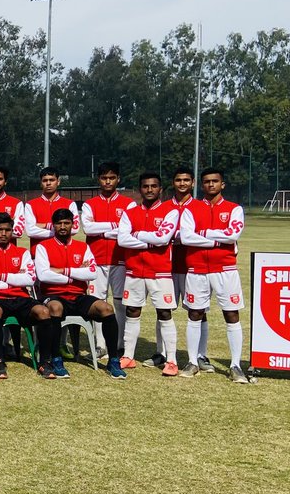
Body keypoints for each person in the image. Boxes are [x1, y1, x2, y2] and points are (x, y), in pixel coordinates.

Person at [35, 209, 127, 378]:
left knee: (106, 308)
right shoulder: (43, 247)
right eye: (59, 223)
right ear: (54, 225)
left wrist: (62, 271)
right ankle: (56, 358)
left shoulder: (83, 247)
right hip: (54, 295)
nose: (63, 227)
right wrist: (76, 274)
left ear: (73, 224)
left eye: (66, 223)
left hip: (78, 296)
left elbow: (92, 273)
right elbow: (43, 275)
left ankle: (114, 360)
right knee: (55, 308)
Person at [178, 168, 248, 382]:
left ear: (222, 184)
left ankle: (235, 365)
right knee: (195, 313)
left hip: (225, 269)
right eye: (207, 182)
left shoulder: (234, 209)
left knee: (231, 314)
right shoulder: (191, 210)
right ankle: (192, 361)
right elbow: (186, 238)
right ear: (202, 184)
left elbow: (233, 234)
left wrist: (205, 234)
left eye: (215, 181)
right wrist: (219, 239)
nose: (211, 185)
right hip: (197, 269)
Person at [0, 213, 60, 379]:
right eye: (0, 230)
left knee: (44, 311)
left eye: (7, 230)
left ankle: (45, 361)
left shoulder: (22, 252)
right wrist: (14, 279)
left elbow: (30, 278)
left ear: (12, 231)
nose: (4, 233)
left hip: (20, 298)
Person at [116, 173, 181, 376]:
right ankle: (128, 356)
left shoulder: (170, 211)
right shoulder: (130, 212)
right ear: (140, 189)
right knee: (132, 312)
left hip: (160, 272)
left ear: (160, 189)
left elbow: (163, 239)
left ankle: (171, 360)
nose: (150, 189)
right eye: (146, 186)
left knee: (164, 313)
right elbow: (122, 240)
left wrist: (137, 236)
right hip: (134, 271)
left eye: (154, 186)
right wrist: (150, 240)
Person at [80, 162, 133, 353]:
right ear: (99, 180)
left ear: (118, 179)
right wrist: (114, 227)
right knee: (98, 302)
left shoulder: (129, 204)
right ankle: (100, 344)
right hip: (95, 260)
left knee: (119, 303)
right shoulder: (89, 204)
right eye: (104, 178)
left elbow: (128, 231)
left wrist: (101, 228)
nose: (108, 181)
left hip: (120, 259)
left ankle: (119, 344)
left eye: (112, 177)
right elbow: (88, 228)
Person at [166, 166, 203, 367]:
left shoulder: (200, 207)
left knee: (197, 311)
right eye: (178, 180)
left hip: (193, 267)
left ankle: (200, 355)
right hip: (167, 267)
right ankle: (161, 353)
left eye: (186, 180)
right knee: (164, 310)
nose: (182, 184)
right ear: (174, 182)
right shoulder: (164, 208)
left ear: (193, 183)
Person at [24, 166, 79, 250]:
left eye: (52, 180)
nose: (48, 183)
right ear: (41, 183)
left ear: (58, 182)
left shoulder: (70, 204)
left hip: (63, 253)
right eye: (45, 180)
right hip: (38, 255)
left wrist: (46, 225)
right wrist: (60, 231)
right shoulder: (30, 205)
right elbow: (30, 231)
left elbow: (75, 229)